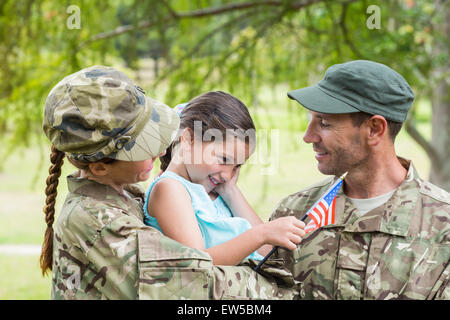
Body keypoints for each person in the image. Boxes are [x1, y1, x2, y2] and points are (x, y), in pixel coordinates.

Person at [41, 65, 298, 300]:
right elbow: (195, 284)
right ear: (99, 167)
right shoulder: (98, 221)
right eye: (144, 144)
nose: (160, 148)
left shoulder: (124, 194)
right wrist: (281, 287)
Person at [269, 60, 449, 300]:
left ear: (374, 129)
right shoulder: (294, 212)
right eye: (311, 120)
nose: (307, 136)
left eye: (323, 123)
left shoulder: (443, 228)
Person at [144, 92, 306, 265]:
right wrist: (261, 234)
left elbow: (267, 252)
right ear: (188, 139)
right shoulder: (170, 189)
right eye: (224, 160)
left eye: (237, 167)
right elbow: (198, 263)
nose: (228, 175)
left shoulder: (214, 191)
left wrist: (231, 191)